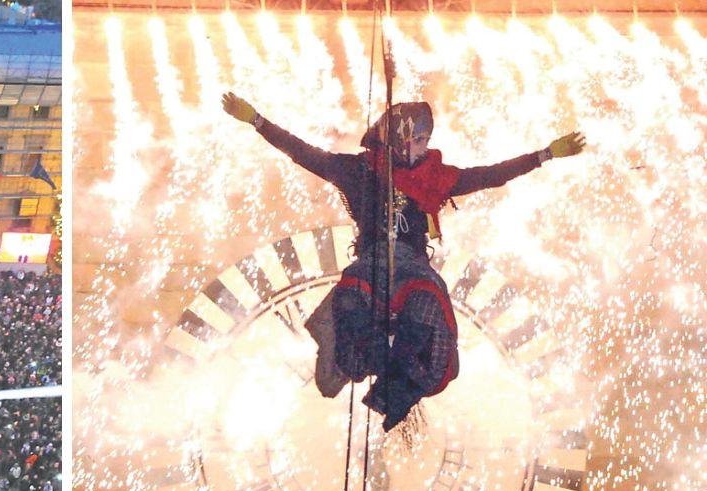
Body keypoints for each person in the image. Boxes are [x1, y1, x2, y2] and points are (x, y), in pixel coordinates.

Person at [221, 92, 585, 430]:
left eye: (426, 140)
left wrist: (544, 155)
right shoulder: (358, 171)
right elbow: (304, 154)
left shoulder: (435, 177)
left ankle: (399, 381)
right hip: (372, 264)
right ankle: (361, 357)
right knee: (350, 302)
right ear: (398, 139)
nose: (424, 148)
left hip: (412, 268)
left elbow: (489, 175)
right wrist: (257, 121)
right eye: (419, 140)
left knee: (426, 307)